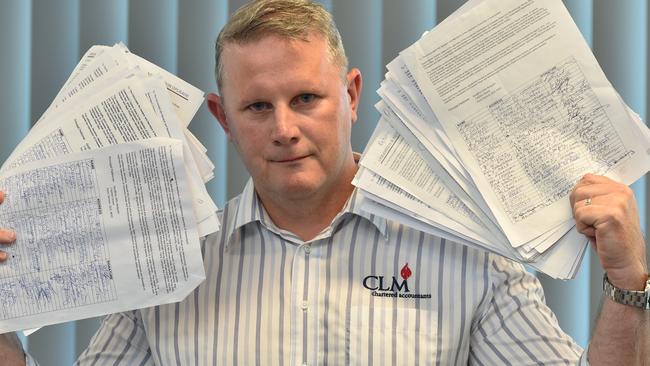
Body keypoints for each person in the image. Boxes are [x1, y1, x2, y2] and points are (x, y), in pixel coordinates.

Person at [1, 0, 648, 364]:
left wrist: (628, 286)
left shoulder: (472, 255)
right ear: (224, 118)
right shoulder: (168, 269)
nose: (284, 129)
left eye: (307, 98)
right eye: (258, 107)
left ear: (351, 95)